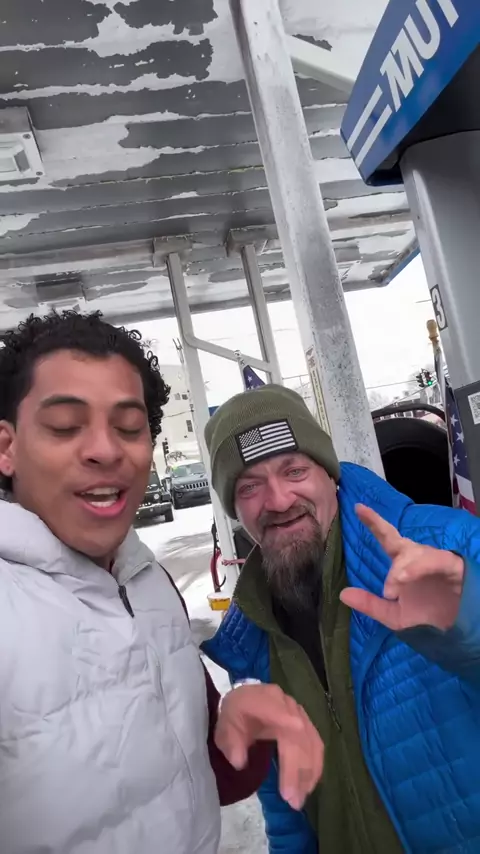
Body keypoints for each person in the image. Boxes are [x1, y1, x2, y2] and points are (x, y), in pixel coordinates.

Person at [0, 313, 324, 854]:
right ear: (6, 447)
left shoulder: (149, 583)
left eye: (129, 428)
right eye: (65, 426)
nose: (106, 450)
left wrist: (238, 726)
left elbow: (202, 777)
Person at [203, 383, 480, 854]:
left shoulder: (445, 544)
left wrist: (469, 620)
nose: (278, 500)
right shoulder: (249, 639)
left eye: (294, 470)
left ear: (328, 473)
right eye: (249, 486)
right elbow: (288, 814)